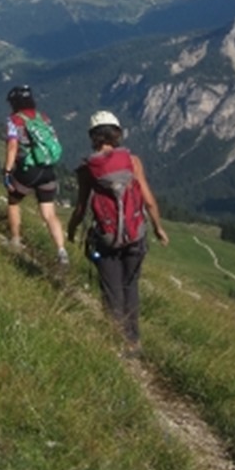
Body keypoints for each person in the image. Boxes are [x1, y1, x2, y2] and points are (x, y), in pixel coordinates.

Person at [66, 110, 168, 350]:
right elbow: (149, 200)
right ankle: (134, 341)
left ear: (93, 137)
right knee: (130, 286)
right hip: (135, 236)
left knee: (112, 291)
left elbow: (81, 208)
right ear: (117, 134)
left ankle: (119, 342)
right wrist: (158, 228)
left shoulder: (87, 169)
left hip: (107, 238)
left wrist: (71, 230)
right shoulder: (133, 162)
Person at [2, 84, 69, 265]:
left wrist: (7, 170)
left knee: (14, 200)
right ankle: (61, 251)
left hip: (28, 170)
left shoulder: (14, 120)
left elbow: (12, 146)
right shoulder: (43, 118)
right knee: (49, 213)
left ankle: (15, 239)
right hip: (47, 170)